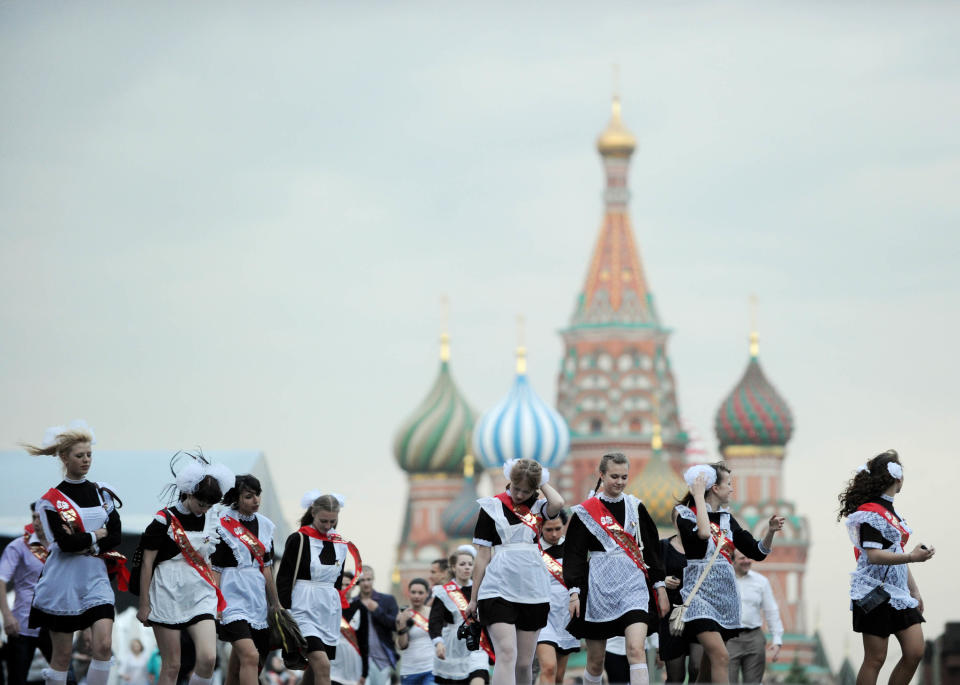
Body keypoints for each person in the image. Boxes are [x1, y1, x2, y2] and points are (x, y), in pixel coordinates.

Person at [23, 421, 122, 685]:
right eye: (80, 455)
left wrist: (91, 542)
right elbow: (65, 544)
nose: (86, 460)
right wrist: (95, 534)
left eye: (89, 454)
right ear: (65, 458)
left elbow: (116, 534)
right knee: (62, 656)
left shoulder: (102, 492)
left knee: (103, 645)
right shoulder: (51, 500)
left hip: (95, 576)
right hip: (63, 580)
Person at [673, 463, 784, 685]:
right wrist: (697, 497)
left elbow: (757, 551)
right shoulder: (685, 515)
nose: (732, 489)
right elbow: (703, 534)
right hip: (699, 598)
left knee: (707, 668)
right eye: (729, 484)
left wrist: (770, 531)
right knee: (722, 656)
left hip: (724, 600)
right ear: (714, 488)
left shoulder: (726, 519)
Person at [564, 452, 668, 685]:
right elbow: (575, 556)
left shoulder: (636, 507)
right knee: (595, 660)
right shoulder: (585, 512)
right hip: (599, 589)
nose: (620, 482)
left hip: (633, 587)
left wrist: (660, 587)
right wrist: (574, 592)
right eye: (614, 476)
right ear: (601, 475)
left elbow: (651, 549)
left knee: (636, 650)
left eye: (624, 477)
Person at [837, 449, 935, 685]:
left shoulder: (892, 513)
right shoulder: (870, 513)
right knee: (875, 658)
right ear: (897, 478)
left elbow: (896, 553)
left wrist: (914, 590)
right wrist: (912, 557)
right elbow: (874, 556)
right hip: (872, 591)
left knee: (915, 651)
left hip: (898, 592)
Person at [136, 453, 234, 685]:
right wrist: (144, 604)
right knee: (172, 665)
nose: (204, 509)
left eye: (209, 505)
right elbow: (147, 563)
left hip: (200, 592)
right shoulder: (163, 521)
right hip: (166, 591)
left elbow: (210, 560)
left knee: (209, 658)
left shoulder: (213, 519)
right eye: (201, 503)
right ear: (189, 492)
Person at [468, 458, 563, 685]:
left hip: (533, 587)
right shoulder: (491, 506)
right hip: (497, 588)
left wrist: (541, 482)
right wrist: (473, 598)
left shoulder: (539, 507)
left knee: (524, 663)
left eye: (526, 490)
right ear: (509, 481)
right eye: (516, 488)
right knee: (507, 653)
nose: (519, 495)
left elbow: (558, 503)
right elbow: (482, 556)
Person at [277, 492, 361, 685]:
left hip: (328, 611)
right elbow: (284, 578)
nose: (328, 526)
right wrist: (285, 611)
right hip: (302, 607)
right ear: (313, 513)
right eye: (323, 520)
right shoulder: (298, 539)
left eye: (333, 521)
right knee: (323, 665)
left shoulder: (340, 544)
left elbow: (337, 582)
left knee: (314, 670)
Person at [211, 474, 281, 685]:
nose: (256, 500)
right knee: (251, 657)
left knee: (236, 669)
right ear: (237, 497)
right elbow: (216, 569)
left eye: (257, 495)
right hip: (231, 598)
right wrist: (216, 603)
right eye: (249, 496)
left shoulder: (266, 526)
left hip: (257, 599)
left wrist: (276, 603)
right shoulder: (222, 524)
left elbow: (267, 569)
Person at [0, 504, 51, 685]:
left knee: (66, 678)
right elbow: (1, 579)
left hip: (53, 624)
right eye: (34, 517)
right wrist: (7, 616)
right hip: (22, 625)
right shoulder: (20, 545)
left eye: (41, 517)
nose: (36, 522)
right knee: (17, 680)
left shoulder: (61, 548)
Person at [429, 547, 488, 685]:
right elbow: (435, 621)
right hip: (454, 646)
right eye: (462, 564)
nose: (467, 567)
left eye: (470, 564)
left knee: (479, 677)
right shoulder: (443, 592)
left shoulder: (482, 588)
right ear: (453, 568)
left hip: (478, 644)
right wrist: (438, 643)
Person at [535, 512, 578, 685]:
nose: (554, 534)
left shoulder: (573, 548)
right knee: (548, 668)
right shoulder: (533, 549)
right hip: (541, 614)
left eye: (558, 529)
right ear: (540, 528)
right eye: (549, 530)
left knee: (559, 677)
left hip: (566, 613)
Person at [726, 550, 782, 684]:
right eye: (742, 558)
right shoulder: (724, 580)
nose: (747, 561)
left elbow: (771, 611)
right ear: (732, 560)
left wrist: (777, 639)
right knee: (727, 680)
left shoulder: (761, 581)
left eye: (749, 557)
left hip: (754, 638)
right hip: (729, 639)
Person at [658, 512, 700, 684]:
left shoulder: (702, 548)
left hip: (698, 613)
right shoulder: (663, 547)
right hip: (672, 617)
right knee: (676, 676)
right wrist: (663, 581)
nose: (685, 523)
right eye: (680, 519)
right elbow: (650, 576)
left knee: (697, 668)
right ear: (674, 522)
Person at [351, 567, 398, 685]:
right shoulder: (352, 603)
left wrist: (377, 610)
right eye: (362, 580)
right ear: (357, 582)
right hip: (359, 658)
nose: (366, 583)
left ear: (373, 579)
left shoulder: (387, 600)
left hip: (381, 659)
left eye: (369, 579)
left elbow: (395, 625)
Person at [395, 579, 435, 685]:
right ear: (409, 593)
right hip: (409, 670)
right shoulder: (403, 614)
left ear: (427, 594)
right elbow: (402, 645)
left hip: (431, 669)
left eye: (420, 593)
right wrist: (402, 624)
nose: (416, 596)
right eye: (413, 592)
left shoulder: (433, 613)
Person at [330, 597, 369, 685]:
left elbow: (364, 642)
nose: (345, 588)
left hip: (352, 661)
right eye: (342, 584)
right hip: (333, 659)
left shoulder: (360, 608)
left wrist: (364, 671)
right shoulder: (331, 603)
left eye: (347, 585)